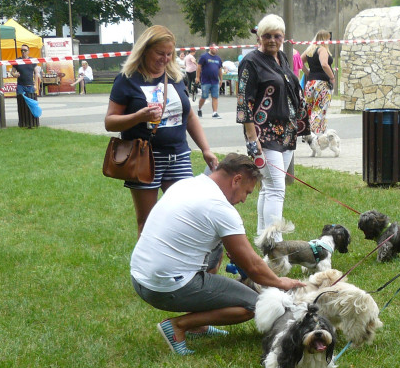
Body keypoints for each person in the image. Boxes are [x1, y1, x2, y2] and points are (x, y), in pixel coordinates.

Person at [130, 154, 305, 356]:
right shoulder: (219, 207)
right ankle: (179, 326)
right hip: (163, 287)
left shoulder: (188, 184)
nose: (243, 200)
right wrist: (280, 282)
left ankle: (199, 326)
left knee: (218, 246)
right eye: (246, 192)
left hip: (139, 277)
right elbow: (253, 266)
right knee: (256, 305)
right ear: (236, 179)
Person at [105, 25, 218, 235]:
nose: (165, 59)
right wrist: (139, 116)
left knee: (185, 217)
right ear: (145, 50)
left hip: (178, 155)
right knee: (148, 222)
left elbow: (189, 116)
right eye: (160, 53)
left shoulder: (175, 76)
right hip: (145, 158)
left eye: (169, 54)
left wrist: (206, 149)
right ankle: (146, 258)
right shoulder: (127, 79)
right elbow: (110, 122)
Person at [237, 14, 308, 242]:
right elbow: (244, 102)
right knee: (277, 189)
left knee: (269, 188)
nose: (272, 40)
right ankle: (275, 245)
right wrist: (252, 138)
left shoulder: (282, 58)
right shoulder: (250, 62)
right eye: (267, 36)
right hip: (264, 135)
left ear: (283, 37)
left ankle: (263, 239)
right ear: (259, 36)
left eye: (277, 36)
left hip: (286, 133)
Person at [301, 29, 336, 144]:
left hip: (310, 83)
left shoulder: (310, 50)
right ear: (325, 39)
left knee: (309, 108)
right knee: (319, 109)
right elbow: (324, 64)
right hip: (322, 84)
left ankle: (306, 132)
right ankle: (314, 135)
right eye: (328, 39)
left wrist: (308, 73)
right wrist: (332, 77)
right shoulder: (322, 49)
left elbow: (300, 61)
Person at [11, 44, 40, 128]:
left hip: (30, 86)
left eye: (25, 50)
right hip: (20, 86)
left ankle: (32, 122)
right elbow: (12, 72)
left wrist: (35, 85)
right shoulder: (17, 60)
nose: (23, 52)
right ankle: (22, 122)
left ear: (28, 51)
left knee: (31, 104)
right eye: (22, 50)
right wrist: (14, 74)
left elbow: (37, 73)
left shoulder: (32, 60)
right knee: (21, 103)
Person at [197, 43, 223, 119]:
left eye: (217, 48)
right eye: (215, 48)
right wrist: (197, 77)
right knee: (204, 96)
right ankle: (199, 108)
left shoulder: (218, 58)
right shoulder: (204, 56)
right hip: (206, 81)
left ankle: (215, 113)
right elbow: (199, 67)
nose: (216, 50)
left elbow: (220, 69)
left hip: (215, 81)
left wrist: (221, 79)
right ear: (210, 48)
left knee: (215, 97)